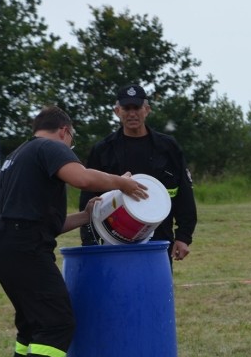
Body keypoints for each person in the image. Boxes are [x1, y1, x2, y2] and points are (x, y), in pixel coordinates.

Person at [0, 106, 148, 357]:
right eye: (71, 140)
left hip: (5, 246)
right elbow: (82, 178)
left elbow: (48, 223)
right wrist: (121, 183)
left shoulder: (19, 155)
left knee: (33, 322)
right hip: (26, 249)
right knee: (58, 323)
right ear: (65, 131)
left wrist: (87, 216)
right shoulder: (49, 147)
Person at [80, 84, 197, 263]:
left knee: (155, 290)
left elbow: (184, 194)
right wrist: (90, 242)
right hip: (114, 239)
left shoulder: (168, 147)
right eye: (127, 108)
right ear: (117, 111)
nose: (132, 113)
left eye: (137, 108)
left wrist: (183, 236)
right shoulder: (103, 150)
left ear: (147, 110)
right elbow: (88, 197)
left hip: (159, 239)